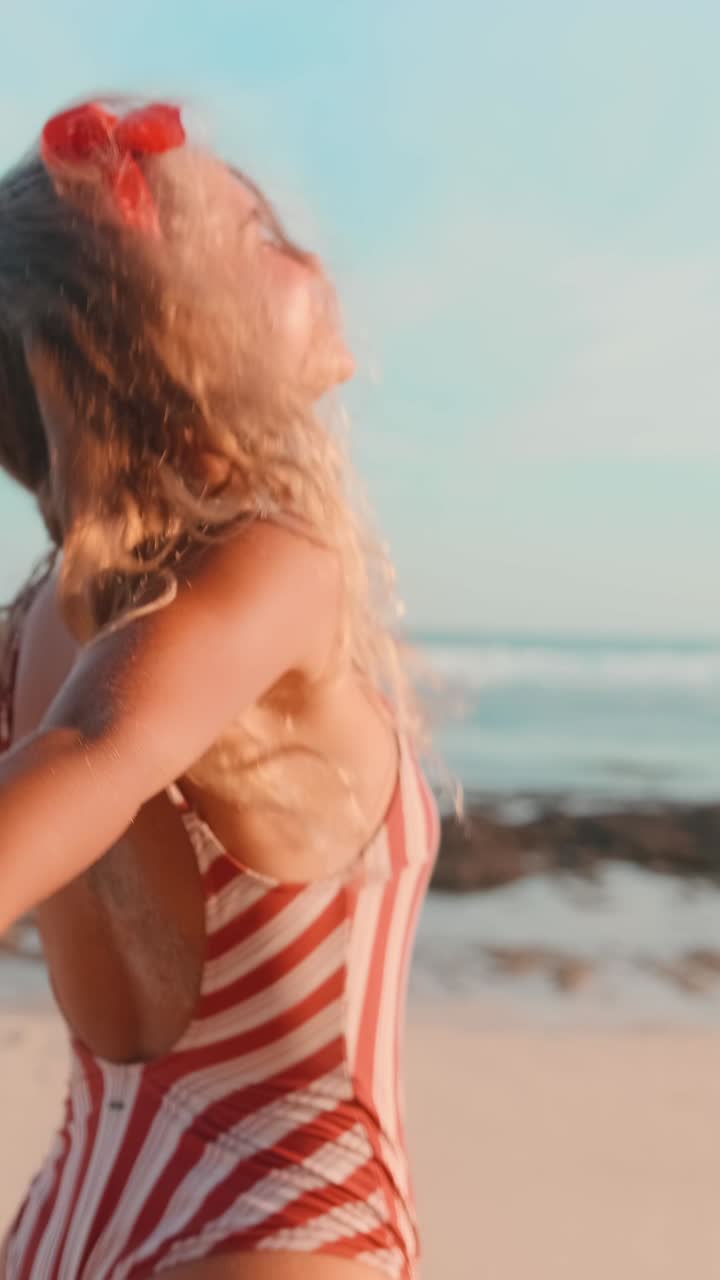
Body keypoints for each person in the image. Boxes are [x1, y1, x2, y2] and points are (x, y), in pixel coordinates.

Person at [0, 99, 440, 1280]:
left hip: (69, 1212)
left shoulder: (29, 622)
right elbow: (99, 748)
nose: (310, 258)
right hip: (280, 1217)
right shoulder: (273, 559)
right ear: (167, 334)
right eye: (262, 235)